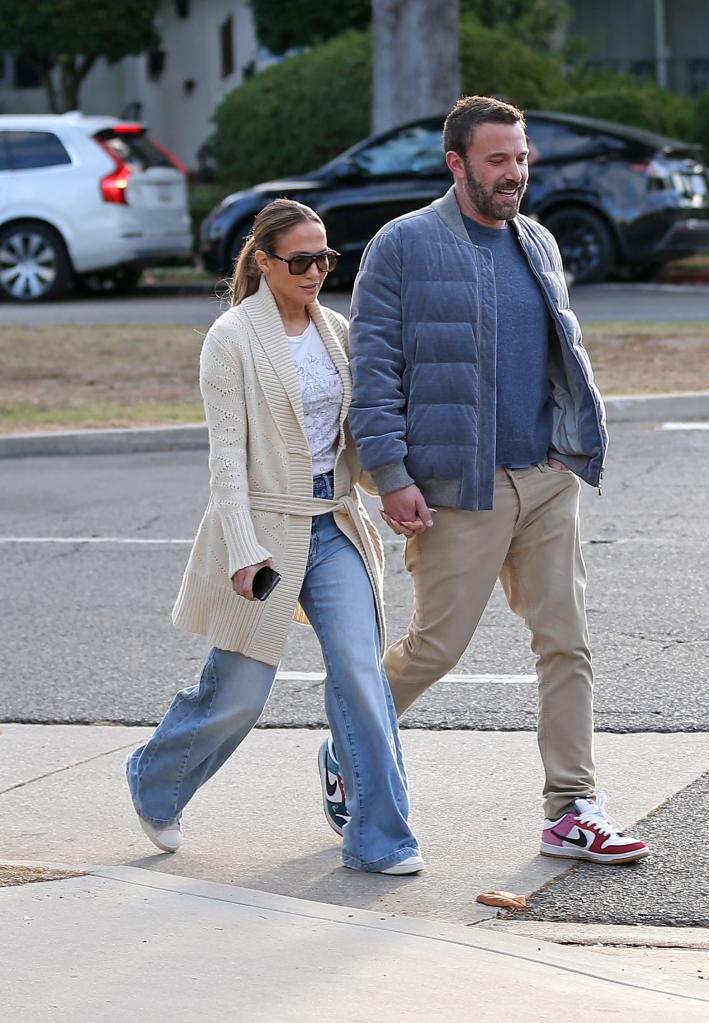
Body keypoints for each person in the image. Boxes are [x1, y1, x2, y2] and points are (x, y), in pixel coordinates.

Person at [320, 96, 649, 865]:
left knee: (566, 642)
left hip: (545, 478)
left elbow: (560, 353)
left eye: (522, 158)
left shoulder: (537, 240)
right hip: (453, 488)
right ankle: (349, 744)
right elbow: (373, 374)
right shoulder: (402, 246)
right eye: (499, 160)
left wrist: (570, 450)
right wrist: (393, 473)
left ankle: (571, 807)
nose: (515, 174)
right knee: (435, 647)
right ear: (457, 163)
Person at [125, 198, 423, 876]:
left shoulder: (339, 330)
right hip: (263, 529)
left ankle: (381, 836)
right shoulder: (230, 337)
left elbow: (357, 436)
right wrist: (241, 547)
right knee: (238, 692)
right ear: (263, 261)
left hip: (336, 521)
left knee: (359, 673)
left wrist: (400, 489)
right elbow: (226, 457)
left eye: (326, 258)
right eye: (301, 259)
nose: (317, 270)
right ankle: (154, 780)